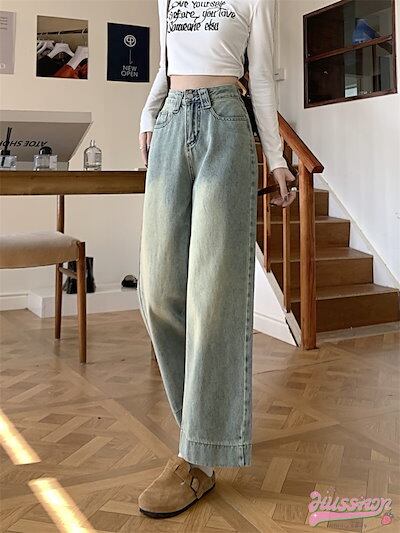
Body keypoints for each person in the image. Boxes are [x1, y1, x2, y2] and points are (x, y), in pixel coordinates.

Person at [137, 0, 296, 519]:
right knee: (157, 292)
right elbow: (164, 65)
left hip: (226, 123)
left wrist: (276, 158)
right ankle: (200, 433)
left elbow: (263, 78)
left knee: (213, 296)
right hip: (170, 122)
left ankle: (196, 458)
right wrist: (148, 114)